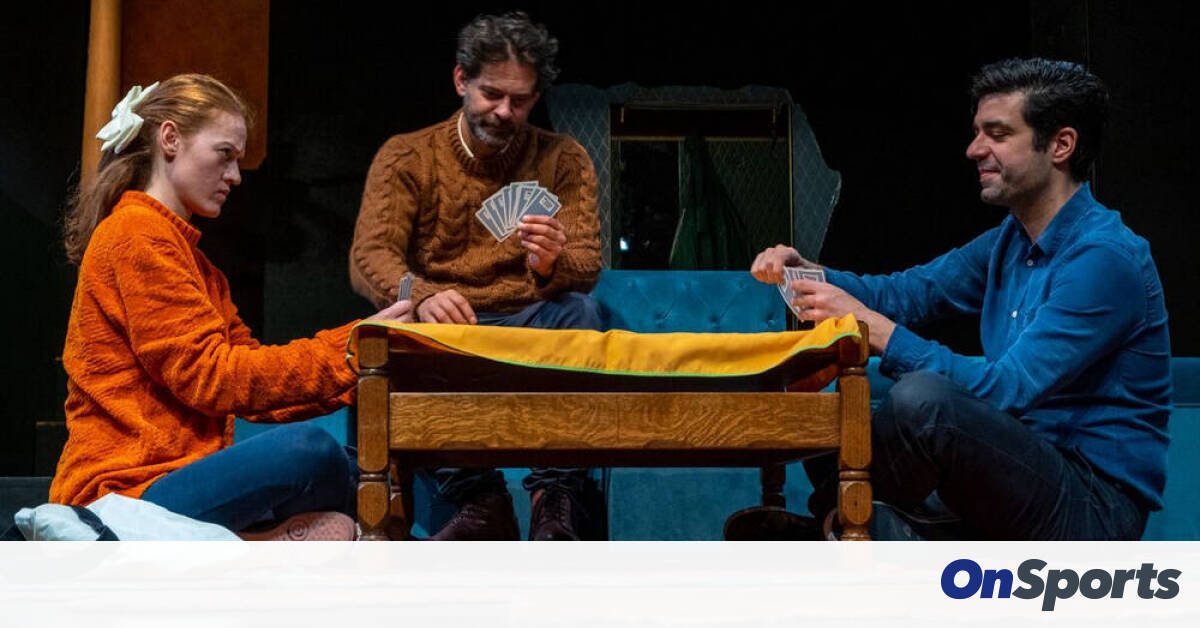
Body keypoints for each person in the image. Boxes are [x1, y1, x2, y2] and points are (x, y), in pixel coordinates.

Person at [751, 58, 1170, 540]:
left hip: (1090, 505)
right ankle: (857, 525)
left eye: (998, 134)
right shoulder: (1008, 242)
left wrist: (877, 330)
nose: (974, 150)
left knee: (924, 402)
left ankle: (828, 531)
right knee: (833, 417)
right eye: (976, 133)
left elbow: (1008, 388)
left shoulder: (1104, 259)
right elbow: (906, 293)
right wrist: (805, 271)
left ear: (1061, 145)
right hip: (1012, 470)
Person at [50, 74, 413, 541]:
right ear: (170, 139)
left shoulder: (197, 264)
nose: (236, 176)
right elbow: (212, 377)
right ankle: (243, 544)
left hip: (174, 480)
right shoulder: (135, 234)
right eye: (224, 154)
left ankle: (247, 544)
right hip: (126, 495)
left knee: (354, 464)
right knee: (309, 451)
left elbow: (251, 383)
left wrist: (362, 365)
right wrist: (351, 349)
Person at [348, 12, 603, 540]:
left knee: (580, 311)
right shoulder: (407, 156)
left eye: (521, 100)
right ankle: (480, 499)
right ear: (461, 80)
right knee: (396, 329)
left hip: (530, 318)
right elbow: (370, 256)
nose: (505, 111)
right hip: (449, 324)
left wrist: (552, 264)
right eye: (492, 94)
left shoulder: (565, 159)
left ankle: (554, 500)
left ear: (536, 97)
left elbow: (587, 267)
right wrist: (422, 294)